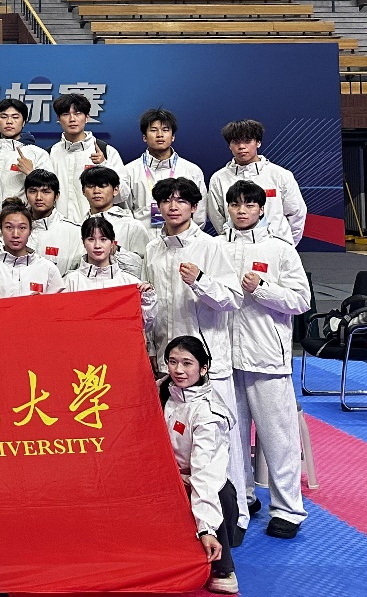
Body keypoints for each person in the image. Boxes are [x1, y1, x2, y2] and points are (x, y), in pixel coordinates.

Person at [142, 176, 247, 532]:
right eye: (166, 200)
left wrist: (201, 281)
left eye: (181, 200)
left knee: (221, 442)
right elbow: (152, 308)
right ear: (158, 206)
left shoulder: (211, 247)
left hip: (207, 364)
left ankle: (235, 518)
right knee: (176, 444)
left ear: (194, 207)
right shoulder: (153, 249)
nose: (173, 206)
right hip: (168, 363)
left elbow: (233, 299)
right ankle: (187, 520)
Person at [224, 180, 310, 539]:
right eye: (235, 204)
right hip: (225, 359)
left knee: (278, 438)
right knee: (232, 437)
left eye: (249, 205)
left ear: (262, 209)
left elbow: (301, 300)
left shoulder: (281, 249)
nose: (241, 211)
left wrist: (262, 289)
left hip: (267, 357)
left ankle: (288, 509)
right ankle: (242, 498)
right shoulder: (216, 246)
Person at [161, 336, 240, 595]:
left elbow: (205, 475)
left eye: (187, 363)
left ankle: (223, 566)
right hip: (163, 476)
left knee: (219, 493)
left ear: (203, 368)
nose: (178, 370)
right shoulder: (162, 390)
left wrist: (206, 528)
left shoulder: (208, 414)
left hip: (198, 480)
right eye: (173, 362)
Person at [207, 120, 307, 245]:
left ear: (258, 142)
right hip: (234, 247)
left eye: (247, 141)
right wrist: (230, 242)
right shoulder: (219, 178)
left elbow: (296, 213)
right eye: (236, 142)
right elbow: (217, 216)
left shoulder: (280, 175)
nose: (241, 146)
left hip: (274, 247)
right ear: (229, 145)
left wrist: (286, 245)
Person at [60, 215, 158, 331]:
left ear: (112, 243)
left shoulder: (130, 283)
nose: (97, 245)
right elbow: (61, 322)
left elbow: (144, 326)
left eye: (103, 239)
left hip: (119, 342)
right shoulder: (69, 282)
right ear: (83, 242)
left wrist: (147, 298)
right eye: (91, 239)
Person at [0, 97, 53, 235]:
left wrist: (31, 173)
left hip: (21, 227)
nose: (9, 121)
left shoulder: (37, 154)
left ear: (24, 122)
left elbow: (50, 192)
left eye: (15, 117)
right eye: (3, 117)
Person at [123, 108, 207, 230]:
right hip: (141, 239)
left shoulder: (192, 171)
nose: (160, 135)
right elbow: (126, 213)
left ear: (173, 137)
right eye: (153, 130)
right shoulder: (129, 172)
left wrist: (186, 238)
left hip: (182, 239)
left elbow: (199, 215)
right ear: (144, 137)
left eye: (165, 130)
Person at [49, 92, 123, 223]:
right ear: (58, 119)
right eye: (66, 114)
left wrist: (104, 165)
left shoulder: (106, 151)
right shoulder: (50, 154)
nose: (72, 119)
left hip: (97, 228)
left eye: (77, 114)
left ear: (87, 117)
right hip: (60, 228)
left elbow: (122, 195)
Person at [0, 199, 63, 299]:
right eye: (9, 227)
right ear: (1, 229)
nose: (15, 234)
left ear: (30, 230)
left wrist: (44, 302)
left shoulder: (48, 269)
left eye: (22, 228)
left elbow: (61, 304)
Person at [79, 166, 152, 276]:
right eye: (90, 186)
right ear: (83, 191)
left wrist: (117, 252)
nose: (96, 191)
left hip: (122, 284)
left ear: (116, 190)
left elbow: (144, 268)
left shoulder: (132, 226)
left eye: (103, 186)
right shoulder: (76, 227)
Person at [24, 170, 84, 273]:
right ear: (26, 194)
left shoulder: (75, 232)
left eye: (45, 192)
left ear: (56, 196)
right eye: (33, 191)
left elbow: (80, 274)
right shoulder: (14, 228)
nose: (38, 197)